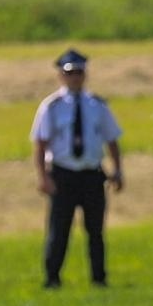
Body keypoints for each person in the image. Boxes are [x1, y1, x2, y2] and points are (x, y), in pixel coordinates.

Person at [30, 48, 124, 288]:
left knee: (95, 231)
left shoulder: (97, 105)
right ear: (61, 75)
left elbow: (111, 139)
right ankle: (52, 278)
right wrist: (42, 177)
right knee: (59, 230)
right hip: (63, 174)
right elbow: (40, 143)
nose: (75, 77)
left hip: (92, 174)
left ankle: (99, 278)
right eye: (70, 73)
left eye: (79, 72)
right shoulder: (51, 106)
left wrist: (117, 170)